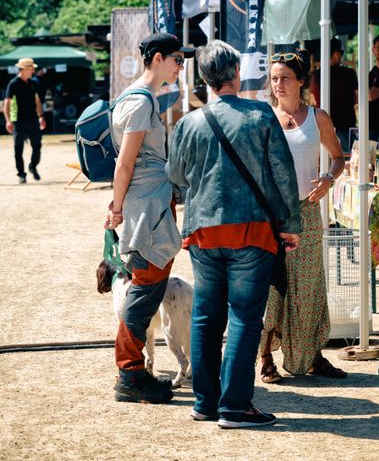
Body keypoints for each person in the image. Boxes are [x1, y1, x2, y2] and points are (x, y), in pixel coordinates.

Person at [167, 40, 301, 429]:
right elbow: (282, 173)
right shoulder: (259, 114)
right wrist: (290, 224)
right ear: (237, 73)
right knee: (244, 317)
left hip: (204, 231)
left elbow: (176, 177)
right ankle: (235, 406)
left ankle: (205, 402)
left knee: (207, 315)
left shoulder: (187, 123)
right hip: (253, 230)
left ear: (205, 79)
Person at [105, 32, 194, 405]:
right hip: (146, 211)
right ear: (157, 58)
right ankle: (130, 374)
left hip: (149, 207)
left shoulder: (139, 99)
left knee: (148, 287)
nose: (181, 65)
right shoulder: (140, 103)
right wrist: (116, 206)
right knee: (144, 291)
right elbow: (125, 163)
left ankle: (133, 372)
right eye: (177, 59)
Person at [260, 49, 346, 382]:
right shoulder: (265, 117)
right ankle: (266, 356)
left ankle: (313, 355)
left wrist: (329, 178)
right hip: (274, 214)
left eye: (284, 78)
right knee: (272, 287)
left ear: (300, 82)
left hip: (308, 211)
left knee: (309, 285)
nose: (278, 83)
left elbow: (338, 158)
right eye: (274, 78)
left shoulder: (317, 117)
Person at [3, 57, 46, 183]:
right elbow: (7, 103)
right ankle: (21, 174)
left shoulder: (33, 83)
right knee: (18, 149)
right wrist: (8, 120)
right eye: (31, 69)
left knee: (37, 146)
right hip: (18, 121)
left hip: (33, 120)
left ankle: (32, 166)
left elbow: (37, 100)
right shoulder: (13, 84)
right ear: (24, 69)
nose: (33, 71)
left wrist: (41, 116)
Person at [327, 38, 358, 151]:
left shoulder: (316, 75)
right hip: (346, 126)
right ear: (336, 54)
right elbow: (357, 98)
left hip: (323, 128)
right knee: (347, 163)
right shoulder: (349, 74)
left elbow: (312, 101)